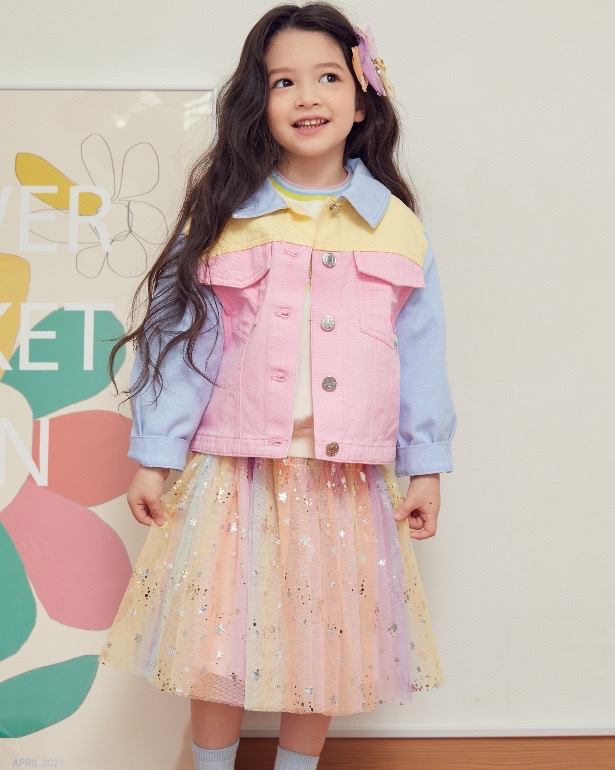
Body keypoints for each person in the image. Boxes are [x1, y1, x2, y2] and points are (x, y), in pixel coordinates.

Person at [99, 3, 456, 769]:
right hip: (233, 472)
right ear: (256, 102)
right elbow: (180, 340)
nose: (306, 96)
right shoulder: (224, 218)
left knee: (323, 643)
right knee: (216, 642)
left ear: (361, 101)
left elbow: (423, 355)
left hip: (343, 480)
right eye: (282, 81)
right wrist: (156, 454)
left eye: (327, 77)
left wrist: (424, 464)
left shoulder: (396, 226)